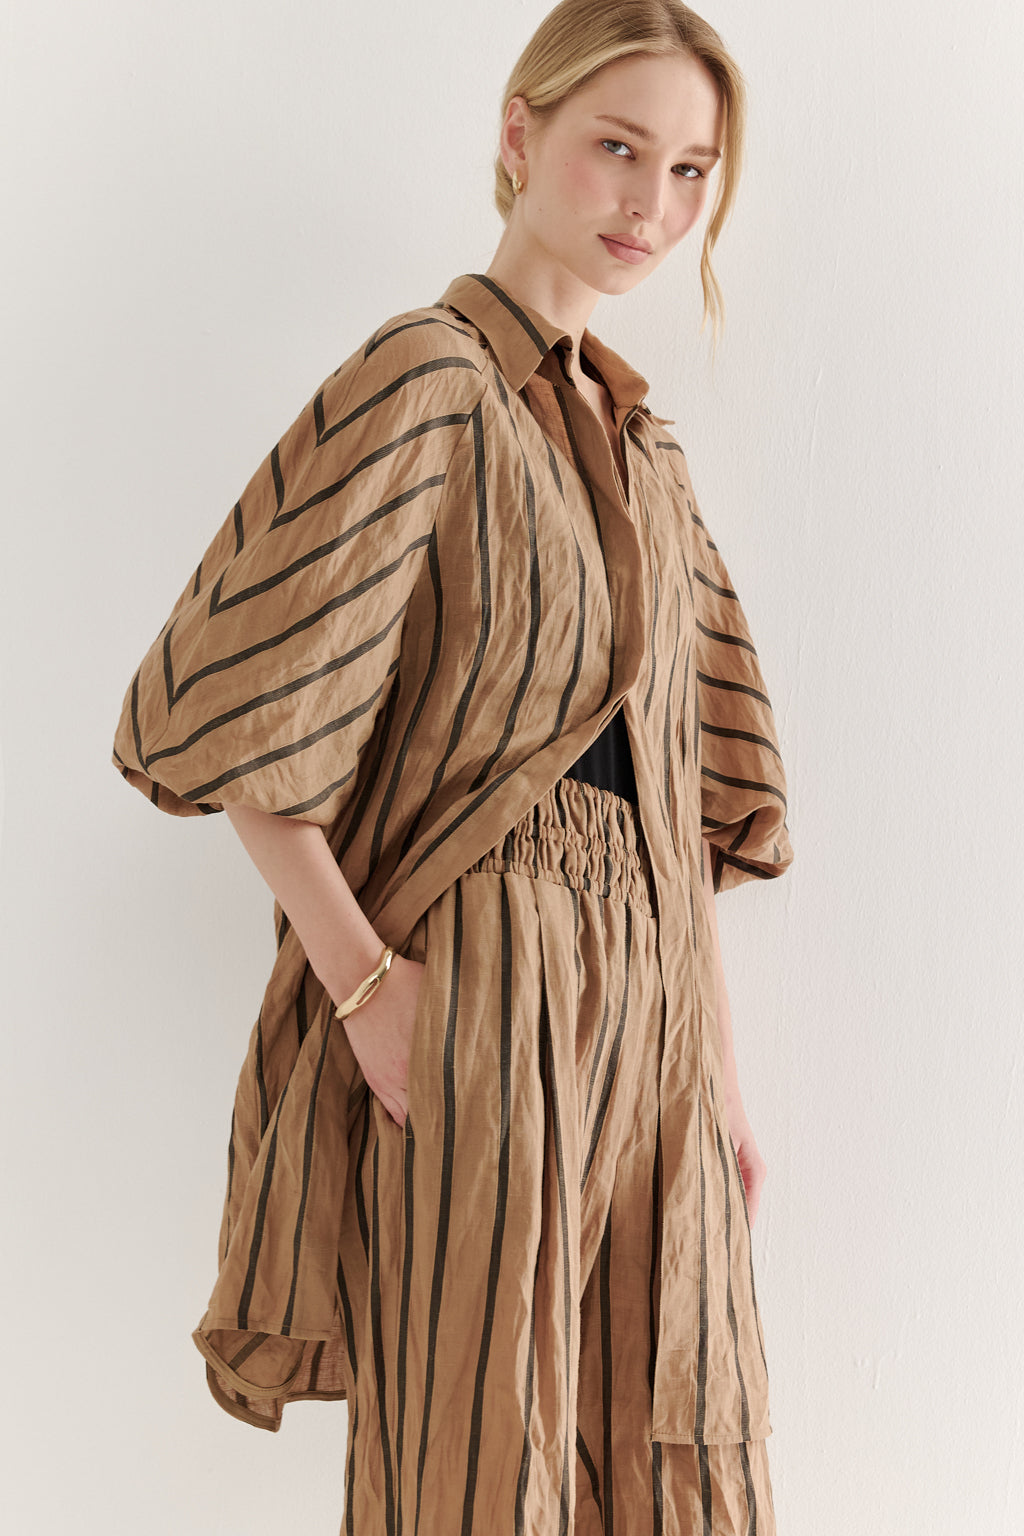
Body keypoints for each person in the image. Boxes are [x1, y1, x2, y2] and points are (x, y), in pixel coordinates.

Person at [111, 1, 794, 1531]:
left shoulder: (647, 454)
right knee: (479, 1453)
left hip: (656, 1013)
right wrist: (371, 995)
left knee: (669, 1437)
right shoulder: (426, 379)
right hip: (488, 970)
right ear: (518, 135)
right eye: (618, 147)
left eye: (690, 170)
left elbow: (683, 802)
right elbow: (236, 725)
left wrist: (720, 1078)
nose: (651, 203)